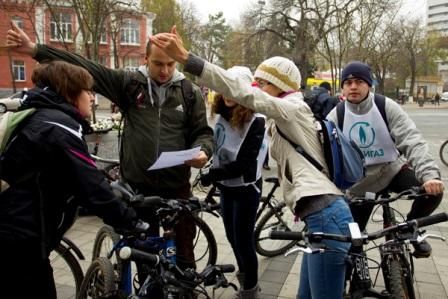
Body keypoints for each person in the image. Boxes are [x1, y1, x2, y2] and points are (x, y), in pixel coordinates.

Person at [151, 26, 354, 299]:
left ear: (279, 86)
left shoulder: (292, 108)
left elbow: (243, 93)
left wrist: (189, 60)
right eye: (255, 82)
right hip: (318, 219)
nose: (255, 88)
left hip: (327, 218)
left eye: (262, 83)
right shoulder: (284, 113)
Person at [6, 21, 214, 271]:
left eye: (171, 64)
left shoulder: (189, 92)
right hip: (138, 190)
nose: (164, 71)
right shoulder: (129, 84)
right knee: (146, 261)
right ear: (146, 59)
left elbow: (203, 132)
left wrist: (204, 151)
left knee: (183, 261)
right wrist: (35, 49)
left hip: (177, 189)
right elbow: (82, 64)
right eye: (158, 63)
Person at [0, 61, 146, 299]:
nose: (92, 98)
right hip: (20, 238)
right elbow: (91, 185)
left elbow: (72, 178)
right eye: (87, 91)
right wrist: (131, 221)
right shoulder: (59, 127)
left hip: (16, 229)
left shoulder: (39, 115)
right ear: (70, 93)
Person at [326, 61, 444, 257]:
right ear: (343, 88)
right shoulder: (336, 116)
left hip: (392, 171)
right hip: (360, 184)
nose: (353, 86)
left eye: (359, 81)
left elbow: (412, 139)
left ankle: (409, 229)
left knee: (432, 193)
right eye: (347, 83)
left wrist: (429, 175)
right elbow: (326, 155)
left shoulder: (385, 106)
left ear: (369, 84)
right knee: (352, 245)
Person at [200, 66, 267, 298]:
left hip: (246, 188)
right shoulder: (220, 111)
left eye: (235, 90)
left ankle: (250, 289)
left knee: (243, 240)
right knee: (230, 235)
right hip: (226, 187)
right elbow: (217, 144)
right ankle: (245, 272)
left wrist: (212, 175)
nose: (229, 95)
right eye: (225, 88)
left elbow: (245, 165)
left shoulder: (256, 120)